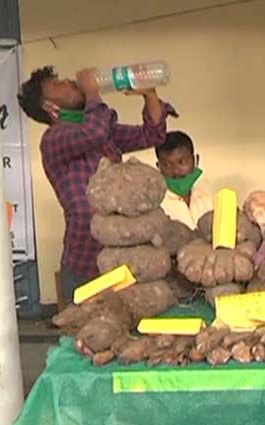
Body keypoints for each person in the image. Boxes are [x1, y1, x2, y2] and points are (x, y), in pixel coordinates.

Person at [17, 66, 177, 303]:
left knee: (124, 325)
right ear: (50, 108)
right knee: (86, 333)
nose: (71, 82)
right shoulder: (54, 138)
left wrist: (150, 95)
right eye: (59, 84)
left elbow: (151, 135)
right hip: (85, 263)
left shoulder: (102, 129)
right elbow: (94, 132)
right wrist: (92, 93)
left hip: (120, 253)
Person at [156, 131, 213, 229]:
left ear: (196, 160)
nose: (176, 171)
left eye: (182, 162)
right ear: (158, 167)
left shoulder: (208, 199)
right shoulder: (157, 206)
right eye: (167, 165)